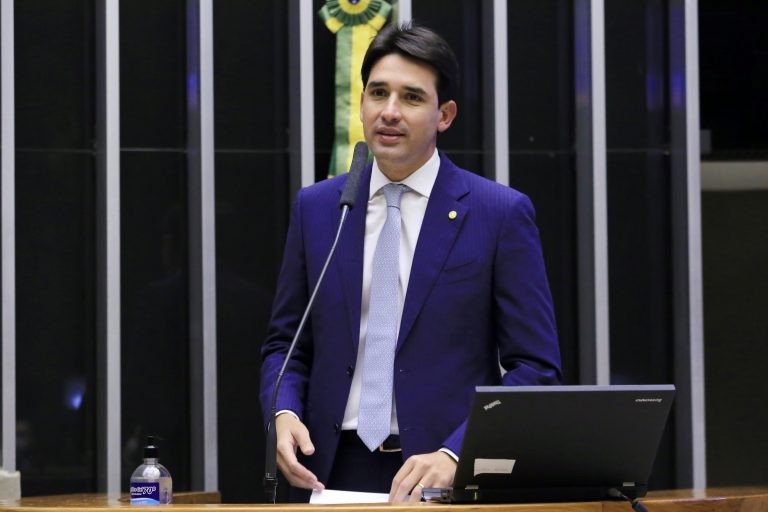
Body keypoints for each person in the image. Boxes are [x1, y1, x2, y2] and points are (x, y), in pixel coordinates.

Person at [260, 22, 561, 503]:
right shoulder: (319, 209)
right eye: (378, 93)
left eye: (412, 97)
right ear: (361, 103)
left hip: (441, 474)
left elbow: (536, 368)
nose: (390, 111)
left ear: (445, 115)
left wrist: (458, 452)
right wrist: (284, 412)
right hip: (327, 470)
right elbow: (286, 344)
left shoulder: (498, 214)